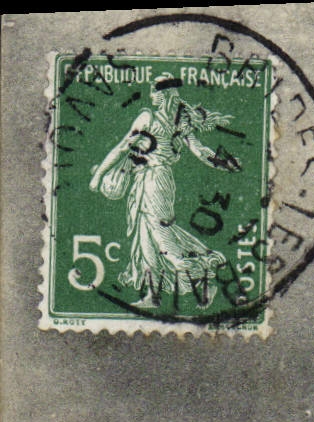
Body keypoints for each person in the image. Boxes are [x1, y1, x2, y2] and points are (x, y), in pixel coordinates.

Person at [88, 74, 242, 310]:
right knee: (145, 238)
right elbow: (201, 151)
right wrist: (222, 162)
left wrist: (99, 176)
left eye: (153, 92)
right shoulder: (181, 122)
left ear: (161, 94)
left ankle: (204, 277)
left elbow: (122, 147)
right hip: (155, 180)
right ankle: (152, 295)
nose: (151, 96)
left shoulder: (148, 117)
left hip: (153, 181)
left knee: (161, 237)